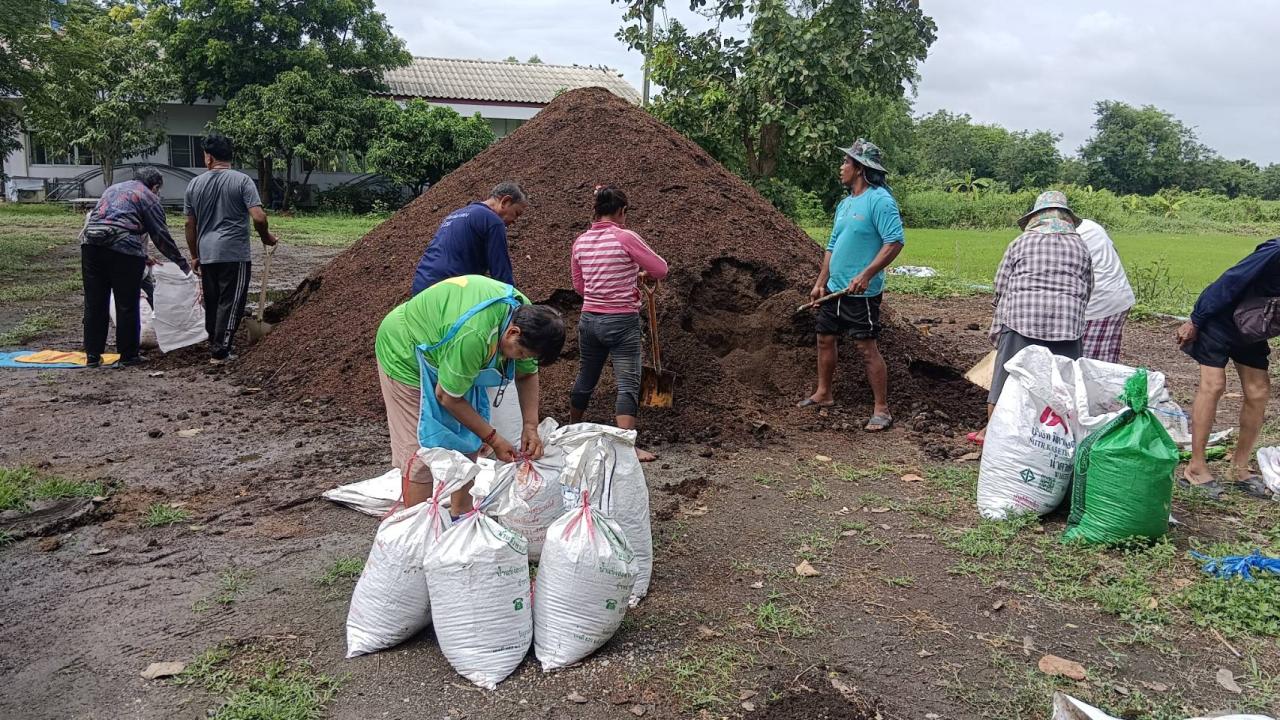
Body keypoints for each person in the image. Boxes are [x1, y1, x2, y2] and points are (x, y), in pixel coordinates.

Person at [374, 274, 565, 512]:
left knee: (469, 439)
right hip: (405, 351)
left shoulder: (525, 314)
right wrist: (494, 439)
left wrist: (530, 426)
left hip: (452, 354)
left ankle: (461, 517)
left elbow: (527, 374)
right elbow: (447, 396)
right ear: (513, 333)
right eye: (522, 355)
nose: (521, 361)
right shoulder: (474, 335)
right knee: (420, 450)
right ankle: (418, 530)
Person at [799, 139, 904, 432]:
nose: (841, 167)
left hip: (861, 292)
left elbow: (894, 242)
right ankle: (824, 394)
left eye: (846, 162)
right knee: (824, 338)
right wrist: (821, 283)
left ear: (860, 169)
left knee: (865, 346)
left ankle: (881, 409)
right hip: (836, 288)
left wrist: (867, 274)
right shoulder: (845, 205)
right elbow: (832, 246)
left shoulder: (880, 200)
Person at [971, 191, 1092, 444]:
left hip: (1020, 323)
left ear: (1036, 217)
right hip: (1066, 327)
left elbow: (1000, 284)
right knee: (1063, 391)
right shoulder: (1080, 246)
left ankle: (995, 441)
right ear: (1066, 218)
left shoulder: (1021, 242)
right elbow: (1087, 288)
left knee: (1004, 384)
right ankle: (1055, 444)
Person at [568, 186, 669, 461]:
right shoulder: (625, 237)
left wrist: (615, 281)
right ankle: (627, 448)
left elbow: (580, 286)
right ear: (621, 210)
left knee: (586, 376)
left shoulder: (581, 242)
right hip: (621, 322)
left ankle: (571, 430)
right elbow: (661, 269)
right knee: (627, 382)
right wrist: (638, 274)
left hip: (589, 320)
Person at [1175, 238, 1280, 499]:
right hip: (1219, 320)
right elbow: (1230, 280)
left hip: (1252, 326)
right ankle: (1196, 468)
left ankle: (1239, 469)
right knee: (1214, 385)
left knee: (1258, 391)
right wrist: (1196, 320)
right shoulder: (1276, 251)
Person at [80, 167, 191, 368]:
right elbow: (160, 235)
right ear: (155, 186)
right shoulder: (148, 196)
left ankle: (92, 355)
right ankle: (128, 355)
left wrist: (144, 256)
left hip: (91, 246)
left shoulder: (113, 189)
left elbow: (111, 221)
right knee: (127, 302)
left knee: (94, 302)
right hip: (123, 251)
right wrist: (182, 264)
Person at [183, 132, 278, 365]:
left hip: (206, 253)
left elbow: (189, 224)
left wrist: (194, 255)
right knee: (232, 300)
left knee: (213, 300)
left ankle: (215, 343)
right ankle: (221, 351)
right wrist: (266, 237)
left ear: (208, 158)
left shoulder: (194, 185)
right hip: (234, 253)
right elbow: (258, 216)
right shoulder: (242, 181)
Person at [409, 181, 527, 296]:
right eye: (517, 213)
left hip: (421, 286)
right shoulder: (493, 221)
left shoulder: (455, 214)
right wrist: (515, 302)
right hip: (447, 290)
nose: (515, 220)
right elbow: (501, 274)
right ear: (505, 201)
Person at [1077, 218, 1135, 363]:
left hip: (1100, 302)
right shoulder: (1090, 225)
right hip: (1119, 295)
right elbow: (1114, 252)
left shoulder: (1067, 235)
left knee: (1089, 364)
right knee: (1104, 358)